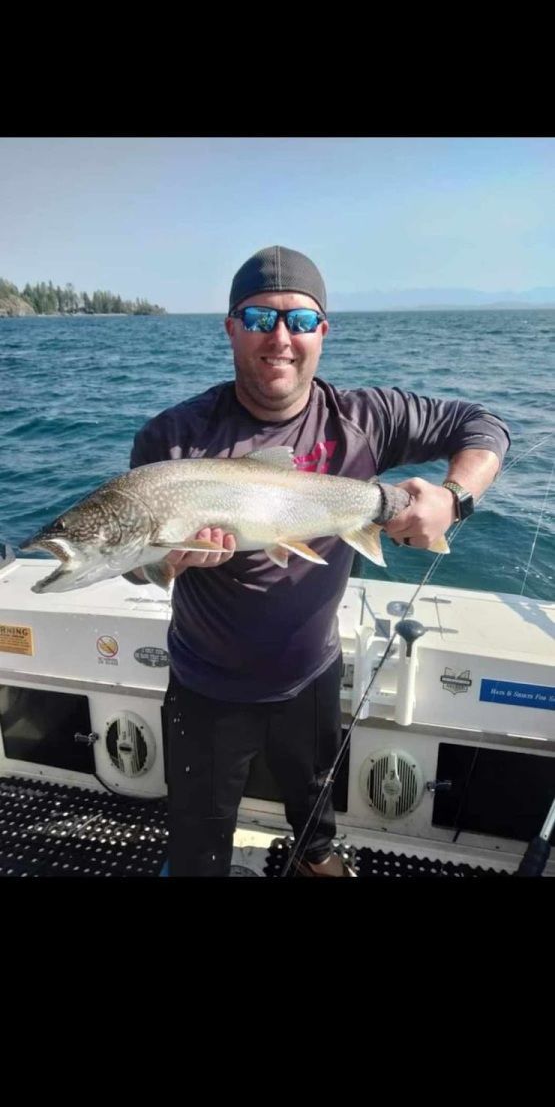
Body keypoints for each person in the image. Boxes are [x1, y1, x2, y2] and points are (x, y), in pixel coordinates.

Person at [125, 245, 510, 877]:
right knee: (198, 848)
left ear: (322, 332)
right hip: (206, 687)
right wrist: (164, 563)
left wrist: (453, 498)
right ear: (229, 328)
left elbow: (485, 425)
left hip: (314, 676)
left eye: (300, 321)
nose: (280, 338)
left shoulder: (363, 420)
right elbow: (134, 565)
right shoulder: (174, 441)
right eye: (258, 319)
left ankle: (315, 855)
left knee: (316, 829)